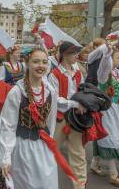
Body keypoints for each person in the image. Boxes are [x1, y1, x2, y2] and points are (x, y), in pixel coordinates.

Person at [0, 48, 58, 189]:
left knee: (46, 182)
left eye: (44, 62)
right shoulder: (17, 92)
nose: (40, 66)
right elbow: (8, 125)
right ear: (27, 64)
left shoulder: (51, 92)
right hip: (23, 148)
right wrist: (6, 157)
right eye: (36, 61)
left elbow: (51, 122)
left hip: (43, 148)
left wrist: (49, 142)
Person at [93, 44, 119, 187]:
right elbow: (104, 66)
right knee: (109, 138)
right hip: (107, 110)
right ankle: (113, 174)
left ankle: (94, 163)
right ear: (109, 60)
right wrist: (107, 54)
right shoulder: (104, 74)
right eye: (117, 58)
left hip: (118, 111)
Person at [48, 41, 87, 189]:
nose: (77, 56)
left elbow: (81, 92)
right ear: (64, 54)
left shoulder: (78, 73)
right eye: (74, 53)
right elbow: (55, 99)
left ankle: (80, 185)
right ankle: (45, 181)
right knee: (50, 152)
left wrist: (84, 103)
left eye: (77, 52)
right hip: (60, 118)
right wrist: (75, 104)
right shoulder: (54, 74)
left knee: (78, 154)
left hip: (75, 119)